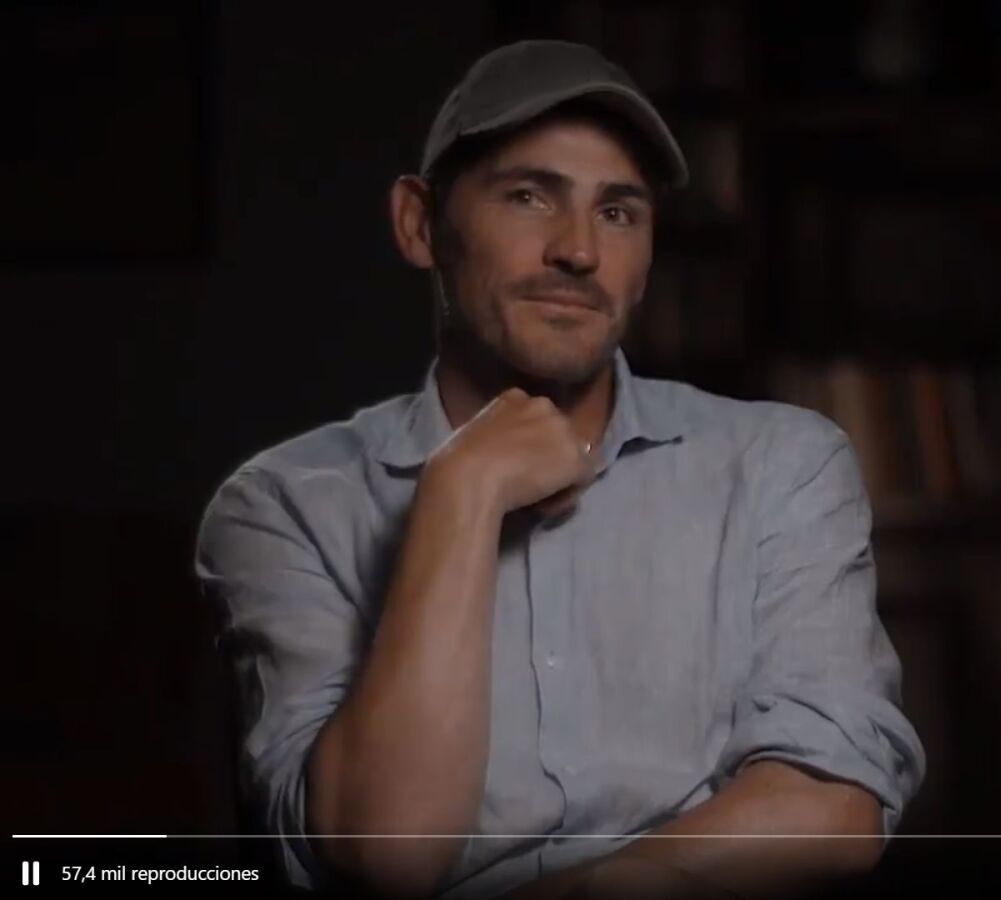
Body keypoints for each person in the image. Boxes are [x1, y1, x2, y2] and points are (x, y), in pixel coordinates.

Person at [194, 39, 925, 900]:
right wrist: (461, 494)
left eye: (617, 212)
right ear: (419, 224)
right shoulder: (280, 506)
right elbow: (389, 854)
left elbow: (834, 800)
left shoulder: (780, 465)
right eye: (529, 196)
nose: (578, 251)